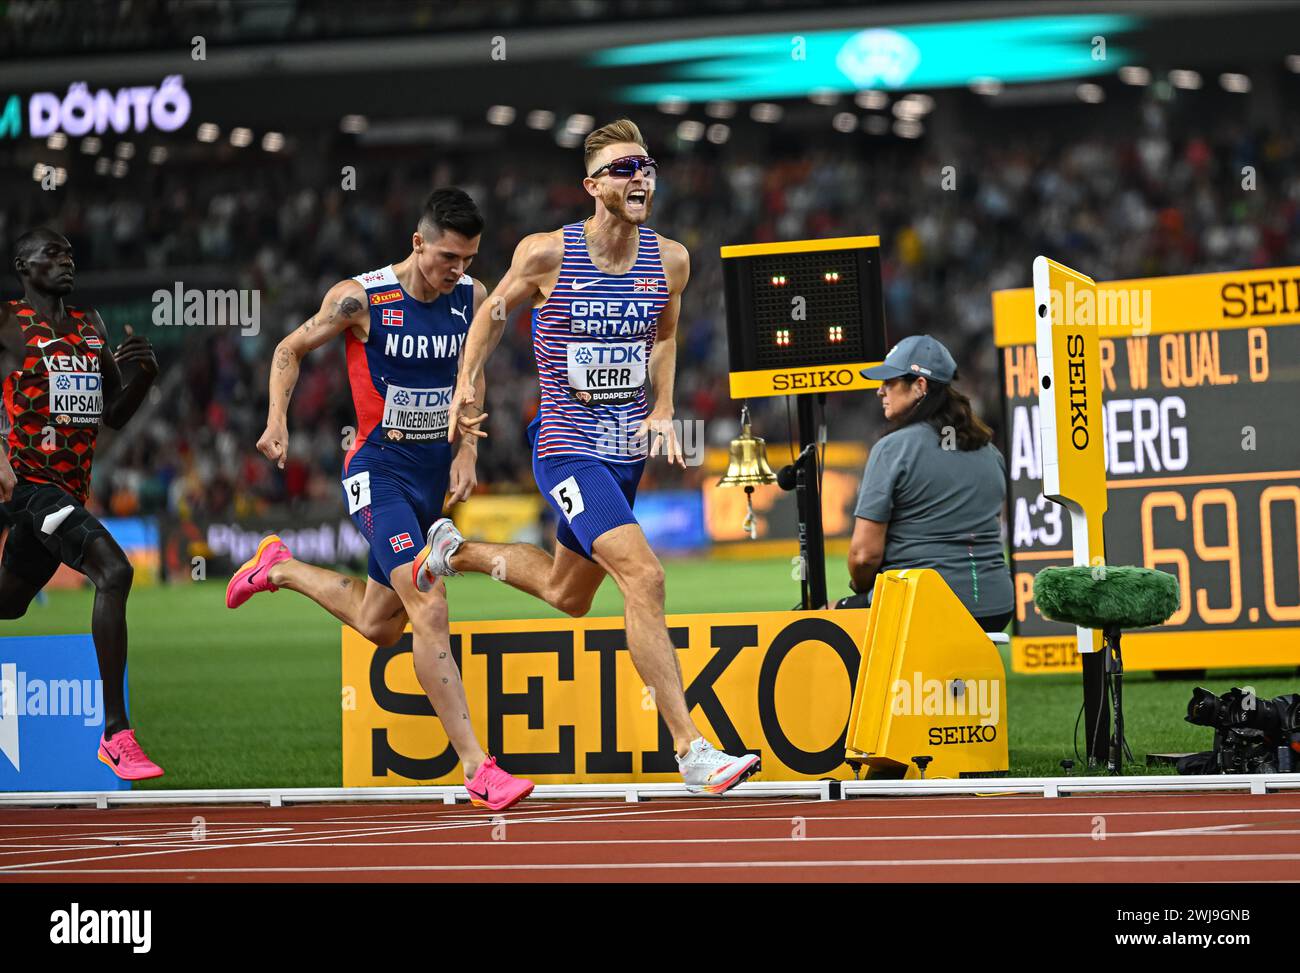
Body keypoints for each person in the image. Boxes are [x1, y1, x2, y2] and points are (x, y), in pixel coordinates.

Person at [417, 118, 761, 796]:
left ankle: (454, 552)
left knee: (566, 593)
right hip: (567, 447)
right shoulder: (547, 253)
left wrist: (662, 406)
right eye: (625, 167)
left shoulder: (672, 260)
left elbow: (665, 334)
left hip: (625, 450)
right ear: (592, 185)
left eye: (648, 166)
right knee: (646, 575)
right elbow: (490, 314)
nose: (641, 177)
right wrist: (465, 383)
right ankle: (690, 749)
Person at [227, 189, 533, 811]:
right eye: (448, 257)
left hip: (430, 483)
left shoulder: (470, 300)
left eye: (470, 259)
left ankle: (277, 566)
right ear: (418, 243)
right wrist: (277, 420)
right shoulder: (360, 299)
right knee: (429, 601)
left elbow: (470, 380)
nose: (459, 271)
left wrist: (468, 451)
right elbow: (289, 349)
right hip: (378, 474)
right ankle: (477, 767)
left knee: (377, 624)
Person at [0, 228, 163, 779]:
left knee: (10, 602)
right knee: (113, 571)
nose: (66, 261)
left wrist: (144, 379)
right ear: (24, 264)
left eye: (70, 253)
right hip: (24, 483)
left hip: (67, 491)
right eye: (52, 254)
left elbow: (113, 413)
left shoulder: (90, 326)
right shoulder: (9, 323)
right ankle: (117, 734)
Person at [838, 334, 1014, 632]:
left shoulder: (892, 448)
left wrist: (861, 588)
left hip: (922, 604)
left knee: (816, 619)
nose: (880, 391)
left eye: (890, 382)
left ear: (920, 386)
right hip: (996, 607)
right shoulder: (990, 451)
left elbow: (864, 555)